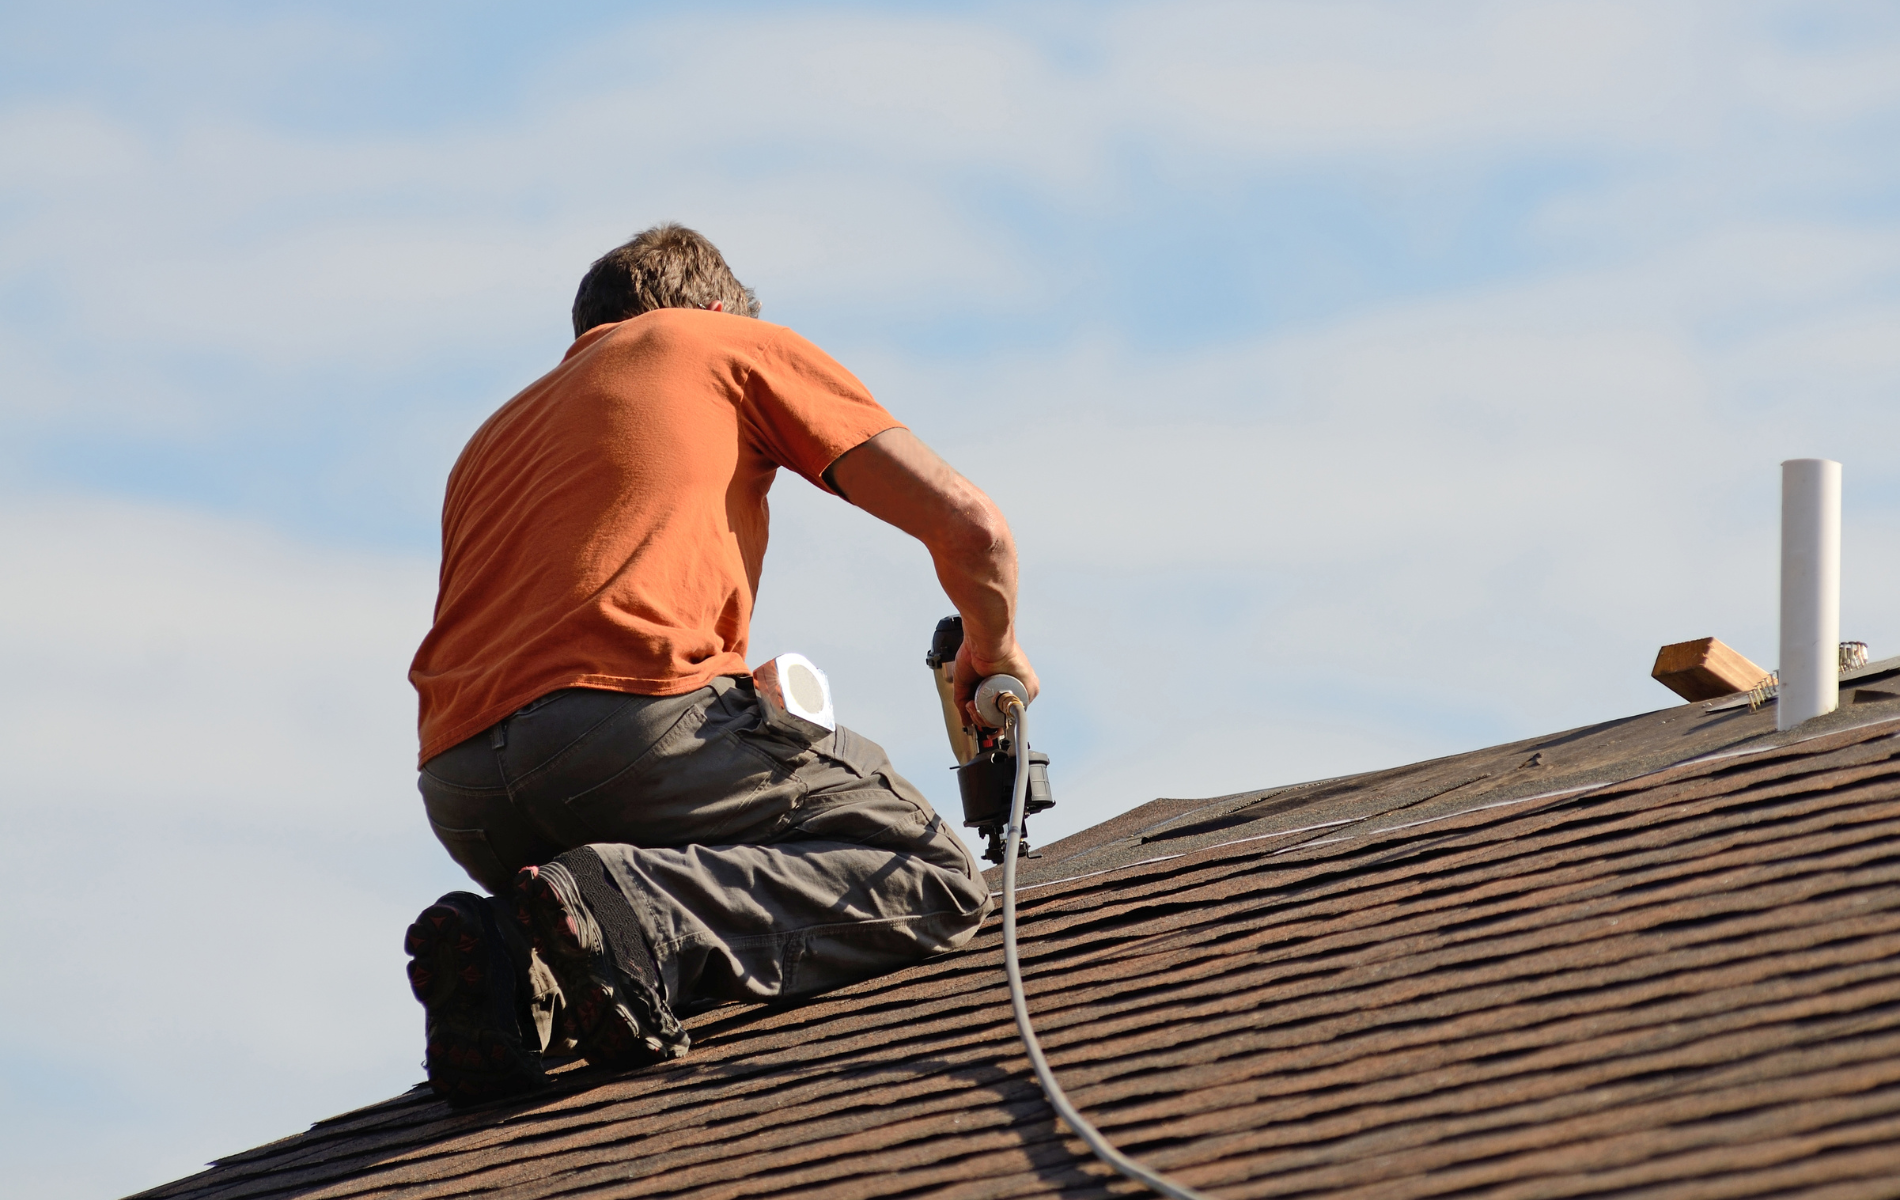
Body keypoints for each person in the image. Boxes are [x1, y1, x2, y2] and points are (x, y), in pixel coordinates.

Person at [400, 223, 1039, 1105]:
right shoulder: (717, 344)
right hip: (625, 734)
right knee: (929, 874)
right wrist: (993, 646)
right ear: (710, 307)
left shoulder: (494, 437)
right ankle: (642, 913)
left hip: (463, 789)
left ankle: (510, 965)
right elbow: (975, 530)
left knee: (591, 910)